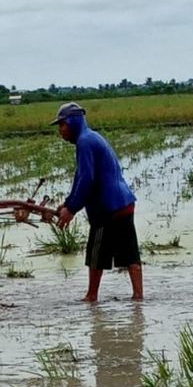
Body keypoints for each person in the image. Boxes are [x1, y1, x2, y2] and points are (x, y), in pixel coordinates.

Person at [52, 102, 143, 302]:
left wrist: (72, 209)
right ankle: (138, 297)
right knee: (130, 252)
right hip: (124, 203)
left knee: (96, 253)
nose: (60, 131)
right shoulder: (90, 138)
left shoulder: (84, 142)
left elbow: (87, 179)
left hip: (107, 208)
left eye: (62, 125)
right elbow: (80, 177)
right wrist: (68, 203)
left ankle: (91, 296)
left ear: (73, 122)